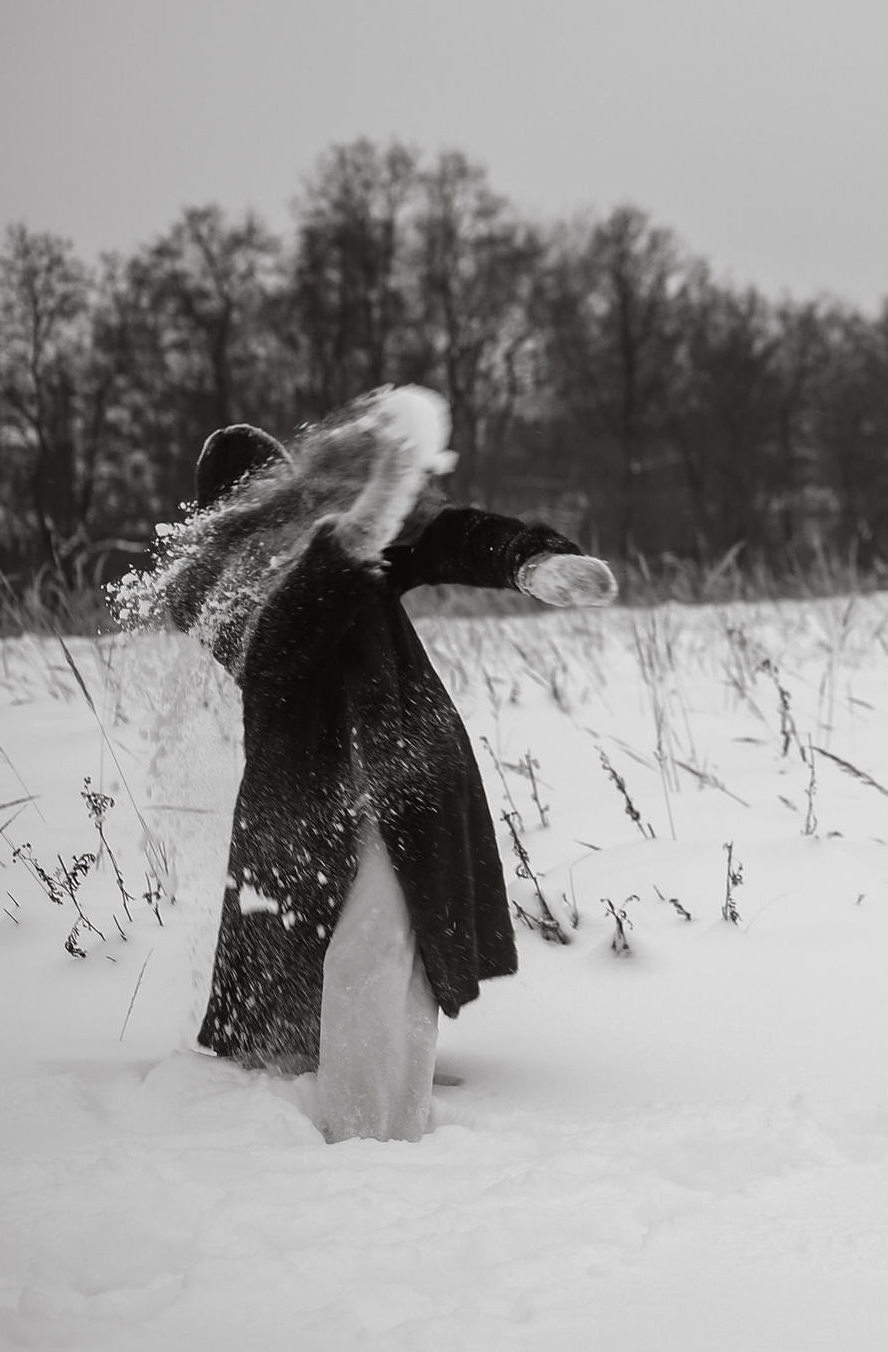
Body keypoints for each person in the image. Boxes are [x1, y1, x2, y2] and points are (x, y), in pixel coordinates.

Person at [177, 389, 617, 1142]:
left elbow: (448, 535)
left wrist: (531, 560)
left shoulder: (349, 541)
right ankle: (317, 1117)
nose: (276, 518)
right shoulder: (211, 588)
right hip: (304, 802)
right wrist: (353, 538)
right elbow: (289, 624)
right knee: (304, 976)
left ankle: (376, 1138)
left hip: (407, 780)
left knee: (378, 947)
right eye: (255, 508)